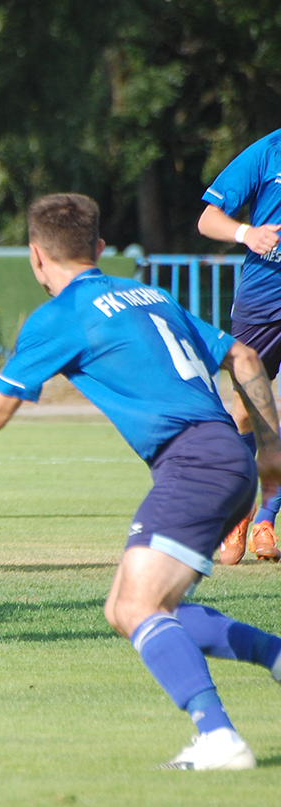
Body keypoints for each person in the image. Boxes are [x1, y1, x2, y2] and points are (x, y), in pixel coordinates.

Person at [0, 193, 281, 769]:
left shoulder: (60, 316)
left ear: (35, 256)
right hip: (227, 458)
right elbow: (248, 358)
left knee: (136, 607)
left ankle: (218, 736)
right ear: (100, 248)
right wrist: (271, 449)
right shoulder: (151, 295)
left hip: (193, 464)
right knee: (138, 608)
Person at [198, 130, 281, 563]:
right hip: (262, 299)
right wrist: (247, 233)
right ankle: (239, 512)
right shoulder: (268, 152)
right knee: (248, 408)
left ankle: (267, 519)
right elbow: (208, 219)